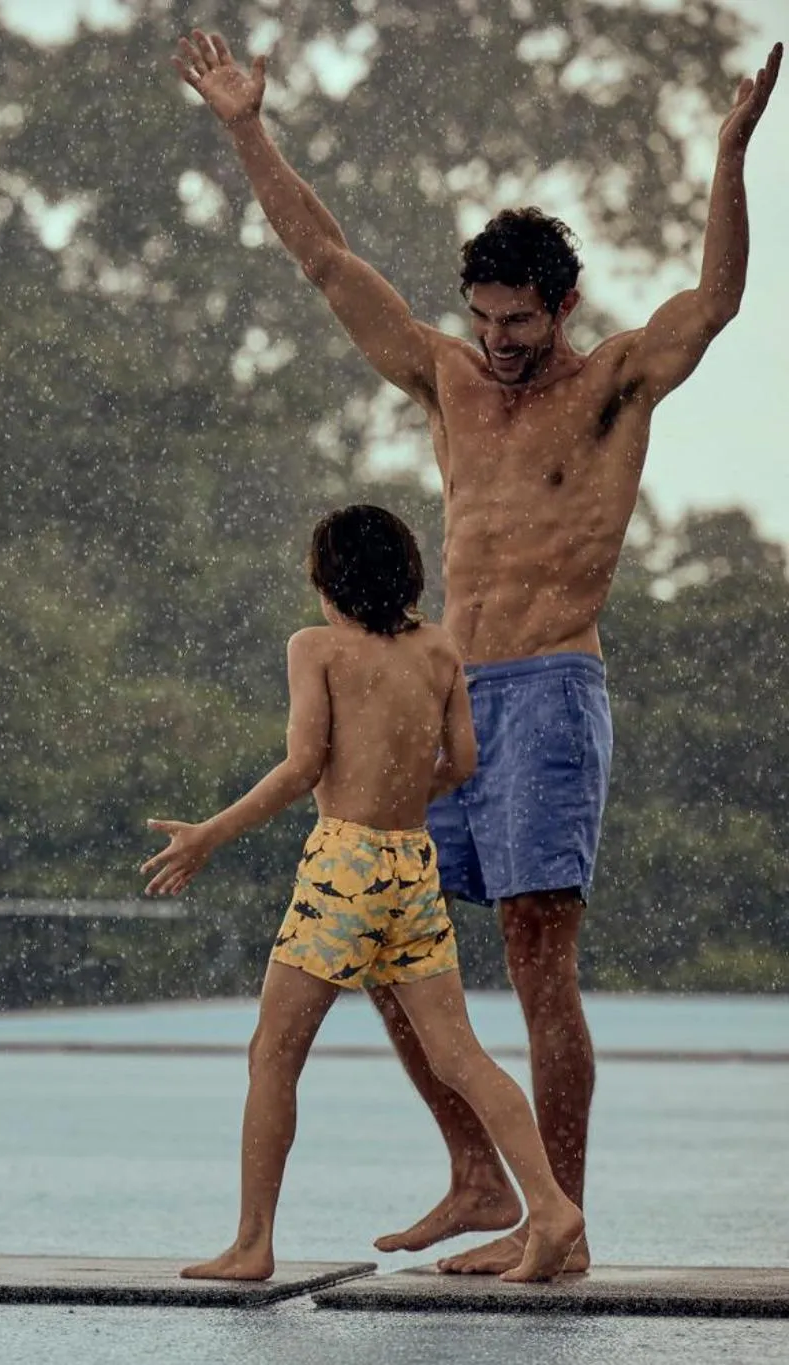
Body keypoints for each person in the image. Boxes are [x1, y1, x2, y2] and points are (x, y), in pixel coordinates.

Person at [172, 27, 779, 1274]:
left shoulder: (610, 383)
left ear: (561, 305)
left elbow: (713, 301)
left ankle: (556, 1218)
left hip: (551, 689)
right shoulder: (449, 380)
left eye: (519, 318)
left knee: (535, 962)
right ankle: (471, 1175)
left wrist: (726, 154)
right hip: (442, 687)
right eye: (485, 316)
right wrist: (245, 128)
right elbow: (326, 261)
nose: (500, 338)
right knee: (387, 941)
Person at [144, 505, 585, 1284]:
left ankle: (252, 1242)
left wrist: (210, 834)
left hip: (342, 867)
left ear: (328, 582)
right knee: (463, 1056)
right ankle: (549, 1206)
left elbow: (301, 765)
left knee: (273, 1053)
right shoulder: (441, 649)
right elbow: (464, 760)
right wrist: (406, 789)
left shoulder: (316, 648)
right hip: (414, 864)